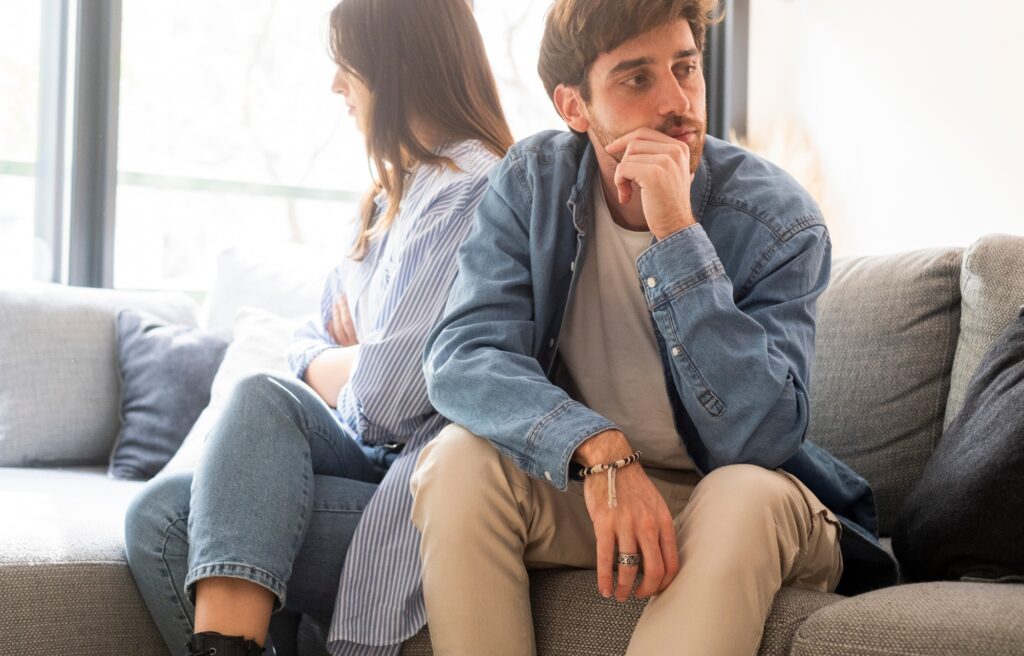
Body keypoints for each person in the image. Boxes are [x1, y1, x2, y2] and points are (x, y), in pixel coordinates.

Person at [409, 0, 899, 654]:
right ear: (573, 106)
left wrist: (678, 235)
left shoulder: (778, 218)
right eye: (637, 78)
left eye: (686, 68)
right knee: (457, 461)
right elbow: (463, 356)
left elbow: (762, 436)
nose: (677, 102)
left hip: (754, 496)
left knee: (738, 494)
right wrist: (599, 448)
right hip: (608, 486)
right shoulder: (532, 183)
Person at [124, 1, 512, 654]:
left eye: (347, 66)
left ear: (398, 65)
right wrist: (343, 356)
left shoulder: (471, 188)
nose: (336, 86)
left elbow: (387, 403)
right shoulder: (387, 199)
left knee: (175, 514)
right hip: (367, 461)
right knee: (172, 494)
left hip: (418, 489)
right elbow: (305, 339)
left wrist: (354, 360)